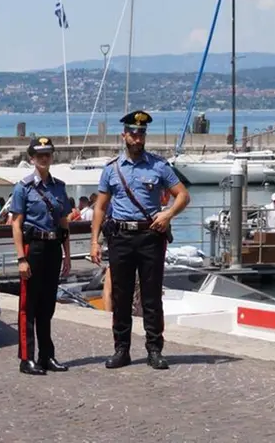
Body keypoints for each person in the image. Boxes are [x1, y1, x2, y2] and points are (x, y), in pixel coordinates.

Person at [90, 110, 190, 370]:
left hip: (150, 237)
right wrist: (94, 241)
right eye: (133, 133)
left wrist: (167, 215)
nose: (138, 138)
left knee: (152, 296)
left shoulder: (158, 166)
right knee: (122, 296)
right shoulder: (111, 169)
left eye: (142, 133)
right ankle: (121, 349)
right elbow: (100, 207)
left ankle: (154, 349)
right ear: (124, 135)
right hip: (121, 237)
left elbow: (182, 196)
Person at [10, 136, 72, 375]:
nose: (44, 158)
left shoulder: (59, 187)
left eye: (47, 154)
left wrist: (67, 256)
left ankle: (47, 355)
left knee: (47, 306)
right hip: (32, 248)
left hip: (53, 248)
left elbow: (64, 222)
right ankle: (27, 358)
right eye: (39, 154)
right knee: (28, 305)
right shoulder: (23, 188)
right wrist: (20, 259)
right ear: (31, 158)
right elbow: (16, 225)